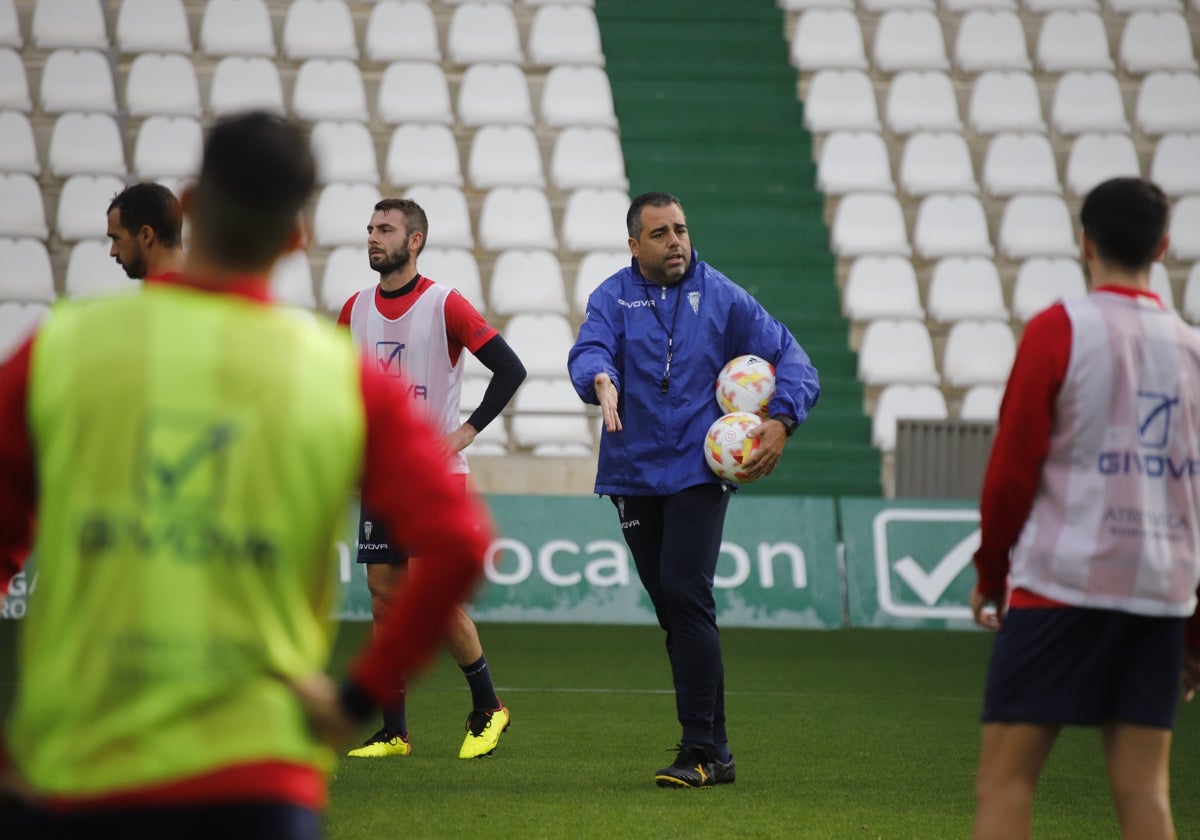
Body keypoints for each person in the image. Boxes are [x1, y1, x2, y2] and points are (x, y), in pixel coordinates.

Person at [0, 112, 492, 839]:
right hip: (259, 773)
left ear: (191, 207)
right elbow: (459, 544)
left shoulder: (64, 347)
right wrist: (352, 698)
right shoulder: (335, 376)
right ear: (295, 238)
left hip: (80, 763)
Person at [969, 177, 1200, 840]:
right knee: (1146, 792)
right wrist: (1196, 629)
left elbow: (1011, 472)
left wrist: (992, 573)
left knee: (1006, 783)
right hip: (1159, 594)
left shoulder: (1058, 330)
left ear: (1084, 241)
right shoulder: (1193, 351)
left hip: (1063, 583)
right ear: (1162, 245)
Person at [566, 191, 820, 788]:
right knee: (675, 613)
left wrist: (781, 419)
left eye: (680, 229)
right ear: (635, 244)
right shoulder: (611, 295)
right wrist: (598, 377)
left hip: (697, 471)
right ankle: (719, 750)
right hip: (632, 474)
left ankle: (699, 749)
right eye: (660, 233)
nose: (675, 241)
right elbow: (590, 347)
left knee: (686, 594)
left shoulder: (723, 295)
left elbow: (794, 359)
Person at [336, 198, 526, 760]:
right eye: (370, 228)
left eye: (386, 229)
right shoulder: (353, 309)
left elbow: (510, 367)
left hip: (434, 474)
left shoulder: (445, 304)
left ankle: (488, 707)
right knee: (384, 600)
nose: (374, 237)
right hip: (381, 474)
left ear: (414, 240)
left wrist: (467, 431)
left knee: (429, 599)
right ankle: (394, 732)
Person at [105, 181, 186, 280]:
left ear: (146, 235)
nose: (113, 252)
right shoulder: (205, 291)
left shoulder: (157, 294)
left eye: (116, 239)